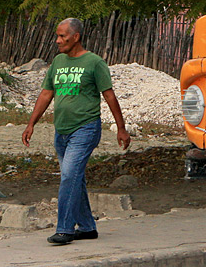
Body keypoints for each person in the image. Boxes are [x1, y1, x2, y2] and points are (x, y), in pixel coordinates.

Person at [23, 18, 131, 245]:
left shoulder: (94, 62)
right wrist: (31, 123)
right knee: (74, 178)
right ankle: (87, 227)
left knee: (69, 175)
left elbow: (109, 95)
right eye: (57, 36)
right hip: (61, 131)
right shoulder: (58, 61)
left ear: (76, 37)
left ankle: (64, 229)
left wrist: (121, 129)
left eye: (62, 36)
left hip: (86, 128)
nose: (58, 40)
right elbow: (46, 93)